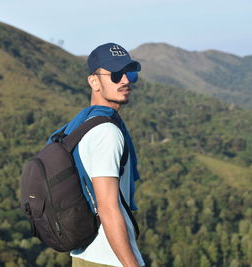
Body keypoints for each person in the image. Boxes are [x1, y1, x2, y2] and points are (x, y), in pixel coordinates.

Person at [67, 43, 145, 267]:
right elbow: (108, 207)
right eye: (116, 74)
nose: (126, 80)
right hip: (108, 259)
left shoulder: (84, 125)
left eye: (130, 73)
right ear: (94, 81)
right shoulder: (106, 133)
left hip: (86, 254)